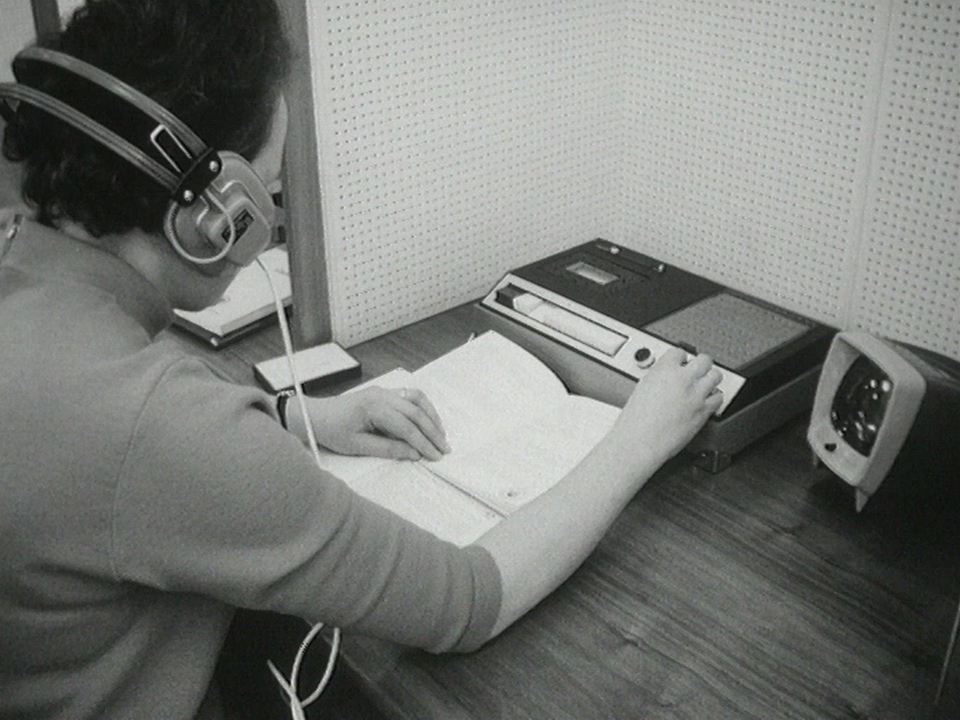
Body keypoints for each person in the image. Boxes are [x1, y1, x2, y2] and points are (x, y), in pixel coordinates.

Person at [0, 1, 723, 718]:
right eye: (269, 187)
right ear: (212, 213)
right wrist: (639, 436)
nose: (275, 213)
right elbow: (468, 600)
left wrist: (295, 415)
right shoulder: (164, 431)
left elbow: (104, 457)